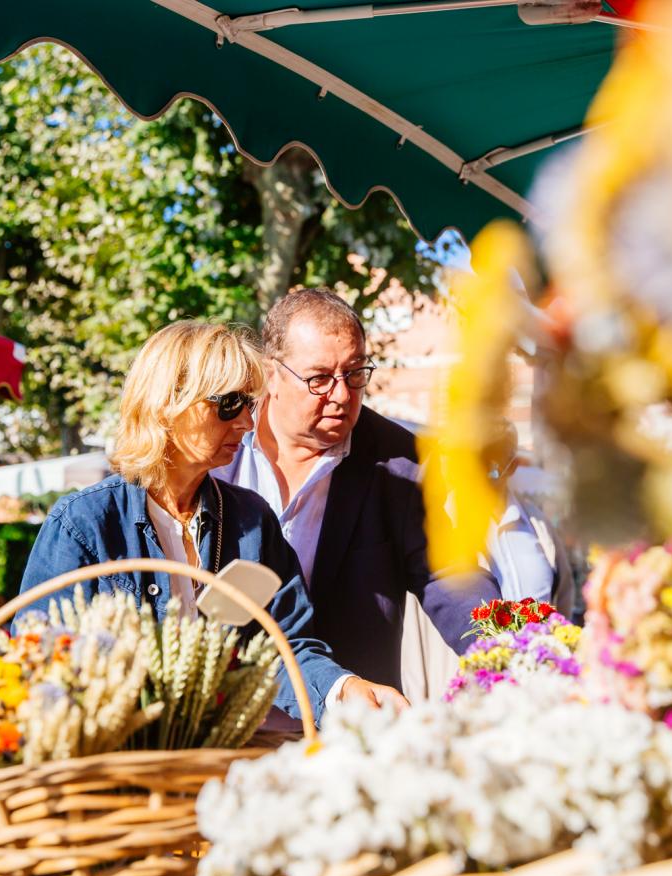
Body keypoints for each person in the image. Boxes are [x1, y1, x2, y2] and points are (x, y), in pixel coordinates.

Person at [21, 321, 401, 725]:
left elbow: (283, 646)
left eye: (249, 404)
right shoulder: (84, 525)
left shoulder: (253, 522)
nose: (247, 423)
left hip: (216, 755)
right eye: (229, 404)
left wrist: (343, 690)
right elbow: (37, 663)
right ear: (168, 403)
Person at [212, 289, 500, 692]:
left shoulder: (403, 462)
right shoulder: (217, 444)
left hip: (349, 713)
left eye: (355, 373)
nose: (342, 395)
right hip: (218, 707)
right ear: (271, 374)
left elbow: (449, 575)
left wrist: (508, 648)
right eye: (319, 379)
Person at [479, 419, 575, 617]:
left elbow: (564, 595)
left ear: (512, 466)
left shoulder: (537, 524)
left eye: (492, 468)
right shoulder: (451, 526)